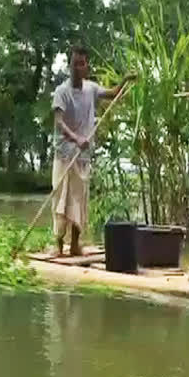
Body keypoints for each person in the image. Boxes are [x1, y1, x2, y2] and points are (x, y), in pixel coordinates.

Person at [51, 44, 136, 256]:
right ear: (69, 66)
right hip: (64, 155)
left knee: (79, 201)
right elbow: (59, 122)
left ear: (86, 67)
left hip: (82, 157)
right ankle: (58, 245)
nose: (77, 68)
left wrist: (125, 80)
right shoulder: (61, 92)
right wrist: (76, 138)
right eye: (73, 64)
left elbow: (113, 93)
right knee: (60, 199)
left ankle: (75, 246)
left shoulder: (91, 89)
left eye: (81, 64)